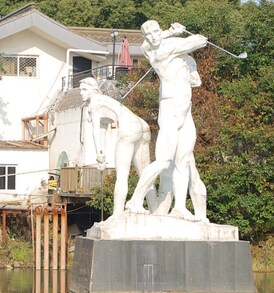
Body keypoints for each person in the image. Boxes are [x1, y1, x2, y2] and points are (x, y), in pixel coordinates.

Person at [125, 20, 208, 221]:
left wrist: (171, 33)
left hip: (185, 111)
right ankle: (135, 200)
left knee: (183, 160)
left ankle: (179, 206)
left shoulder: (174, 52)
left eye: (156, 32)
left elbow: (196, 81)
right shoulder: (160, 51)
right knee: (163, 161)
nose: (154, 36)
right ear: (146, 37)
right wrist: (177, 34)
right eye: (150, 34)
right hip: (170, 110)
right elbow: (196, 41)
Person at [78, 77, 157, 217]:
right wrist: (100, 154)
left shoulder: (95, 102)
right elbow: (102, 129)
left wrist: (100, 156)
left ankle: (117, 214)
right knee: (145, 174)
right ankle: (155, 211)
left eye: (84, 89)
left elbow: (96, 130)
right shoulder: (105, 100)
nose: (81, 93)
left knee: (122, 175)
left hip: (128, 128)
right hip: (142, 125)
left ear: (94, 89)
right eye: (80, 90)